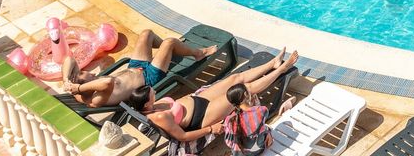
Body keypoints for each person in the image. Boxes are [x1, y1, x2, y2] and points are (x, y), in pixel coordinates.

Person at [128, 51, 299, 149]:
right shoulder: (158, 117)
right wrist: (210, 129)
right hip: (201, 117)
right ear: (147, 104)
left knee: (235, 78)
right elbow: (183, 136)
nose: (154, 90)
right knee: (241, 91)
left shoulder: (149, 107)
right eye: (151, 93)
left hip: (198, 100)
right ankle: (282, 69)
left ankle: (272, 64)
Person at [62, 29, 217, 109]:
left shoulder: (80, 88)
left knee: (146, 34)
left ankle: (174, 50)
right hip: (149, 77)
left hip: (135, 67)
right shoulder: (93, 99)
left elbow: (69, 59)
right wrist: (80, 87)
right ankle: (198, 53)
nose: (88, 71)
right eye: (84, 73)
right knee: (169, 42)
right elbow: (108, 82)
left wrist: (67, 81)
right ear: (84, 85)